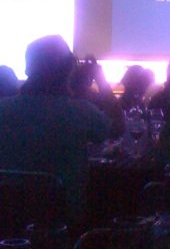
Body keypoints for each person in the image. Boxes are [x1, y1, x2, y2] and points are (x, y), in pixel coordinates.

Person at [0, 35, 111, 225]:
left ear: (27, 68)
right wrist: (102, 81)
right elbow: (118, 128)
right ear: (69, 69)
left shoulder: (3, 109)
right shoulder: (81, 112)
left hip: (6, 219)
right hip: (64, 221)